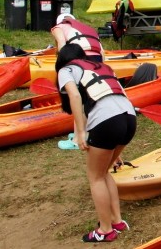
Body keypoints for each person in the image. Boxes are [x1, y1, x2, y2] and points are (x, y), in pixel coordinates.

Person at [56, 43, 136, 243]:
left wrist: (81, 132)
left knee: (95, 177)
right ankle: (117, 221)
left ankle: (105, 230)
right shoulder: (102, 67)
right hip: (130, 118)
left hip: (107, 120)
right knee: (103, 172)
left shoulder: (66, 70)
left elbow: (74, 95)